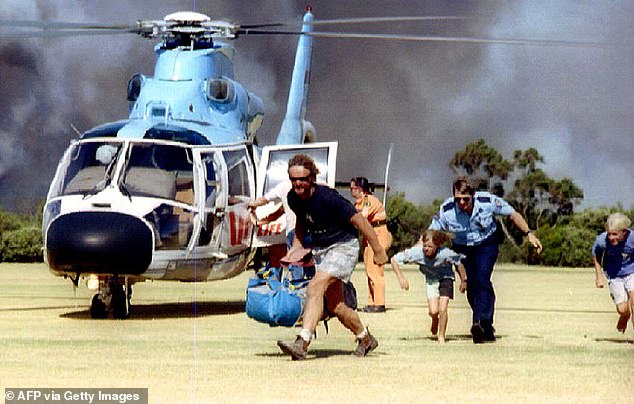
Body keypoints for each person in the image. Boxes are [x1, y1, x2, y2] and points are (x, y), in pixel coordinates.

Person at [277, 154, 388, 360]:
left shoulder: (328, 197)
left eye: (302, 179)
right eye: (293, 179)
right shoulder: (294, 198)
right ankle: (365, 339)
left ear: (312, 178)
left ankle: (302, 343)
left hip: (344, 246)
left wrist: (378, 250)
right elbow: (302, 223)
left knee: (315, 287)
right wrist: (295, 249)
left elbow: (360, 222)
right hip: (322, 250)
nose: (298, 183)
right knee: (337, 307)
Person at [430, 176, 542, 343]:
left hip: (486, 244)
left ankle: (479, 322)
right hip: (462, 247)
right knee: (471, 284)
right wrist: (416, 251)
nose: (461, 203)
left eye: (465, 199)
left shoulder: (487, 201)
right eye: (458, 199)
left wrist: (528, 234)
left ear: (473, 195)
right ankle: (486, 325)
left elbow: (512, 214)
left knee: (482, 278)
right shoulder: (446, 209)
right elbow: (431, 233)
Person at [390, 230, 467, 343]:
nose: (426, 249)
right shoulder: (417, 253)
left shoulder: (446, 253)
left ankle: (441, 336)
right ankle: (435, 319)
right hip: (431, 279)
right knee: (434, 311)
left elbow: (458, 264)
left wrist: (464, 280)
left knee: (443, 308)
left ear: (437, 245)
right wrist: (401, 278)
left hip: (446, 278)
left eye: (430, 246)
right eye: (425, 246)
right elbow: (394, 260)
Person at [350, 177, 393, 313]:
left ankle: (379, 303)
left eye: (353, 188)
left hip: (378, 234)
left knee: (375, 269)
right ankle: (372, 302)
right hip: (369, 236)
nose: (351, 191)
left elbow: (362, 216)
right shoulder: (358, 203)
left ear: (360, 189)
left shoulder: (370, 201)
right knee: (369, 270)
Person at [591, 212, 634, 334]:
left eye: (615, 234)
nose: (611, 238)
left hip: (632, 272)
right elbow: (596, 255)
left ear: (624, 232)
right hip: (614, 275)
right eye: (609, 234)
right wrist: (599, 276)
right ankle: (625, 316)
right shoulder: (601, 240)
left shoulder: (632, 239)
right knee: (622, 309)